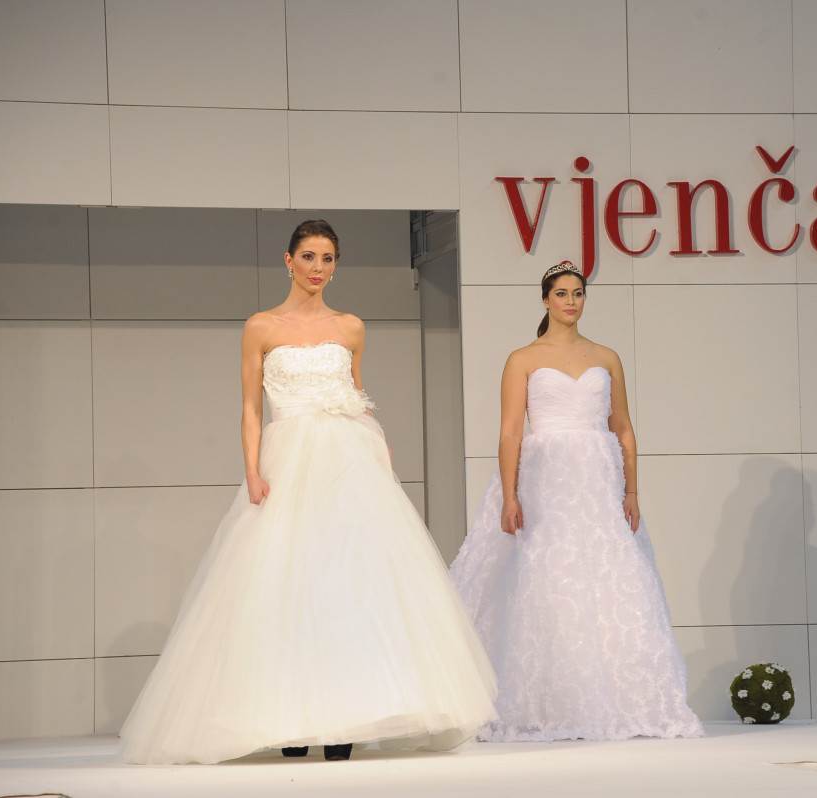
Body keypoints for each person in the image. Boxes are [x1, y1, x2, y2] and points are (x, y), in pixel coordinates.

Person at [119, 220, 496, 764]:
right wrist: (252, 470)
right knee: (282, 584)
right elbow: (251, 408)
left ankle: (344, 718)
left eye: (328, 258)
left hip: (350, 462)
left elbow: (358, 396)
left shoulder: (351, 327)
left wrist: (379, 457)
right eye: (310, 257)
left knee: (348, 584)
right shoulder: (261, 327)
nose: (319, 268)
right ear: (288, 260)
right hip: (288, 461)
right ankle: (289, 720)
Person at [449, 260, 703, 742]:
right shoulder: (523, 358)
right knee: (544, 578)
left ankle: (616, 700)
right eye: (562, 293)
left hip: (597, 482)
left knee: (609, 578)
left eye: (578, 293)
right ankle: (545, 702)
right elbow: (510, 430)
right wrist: (509, 494)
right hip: (545, 480)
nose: (571, 301)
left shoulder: (607, 357)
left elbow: (623, 428)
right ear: (546, 299)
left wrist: (631, 490)